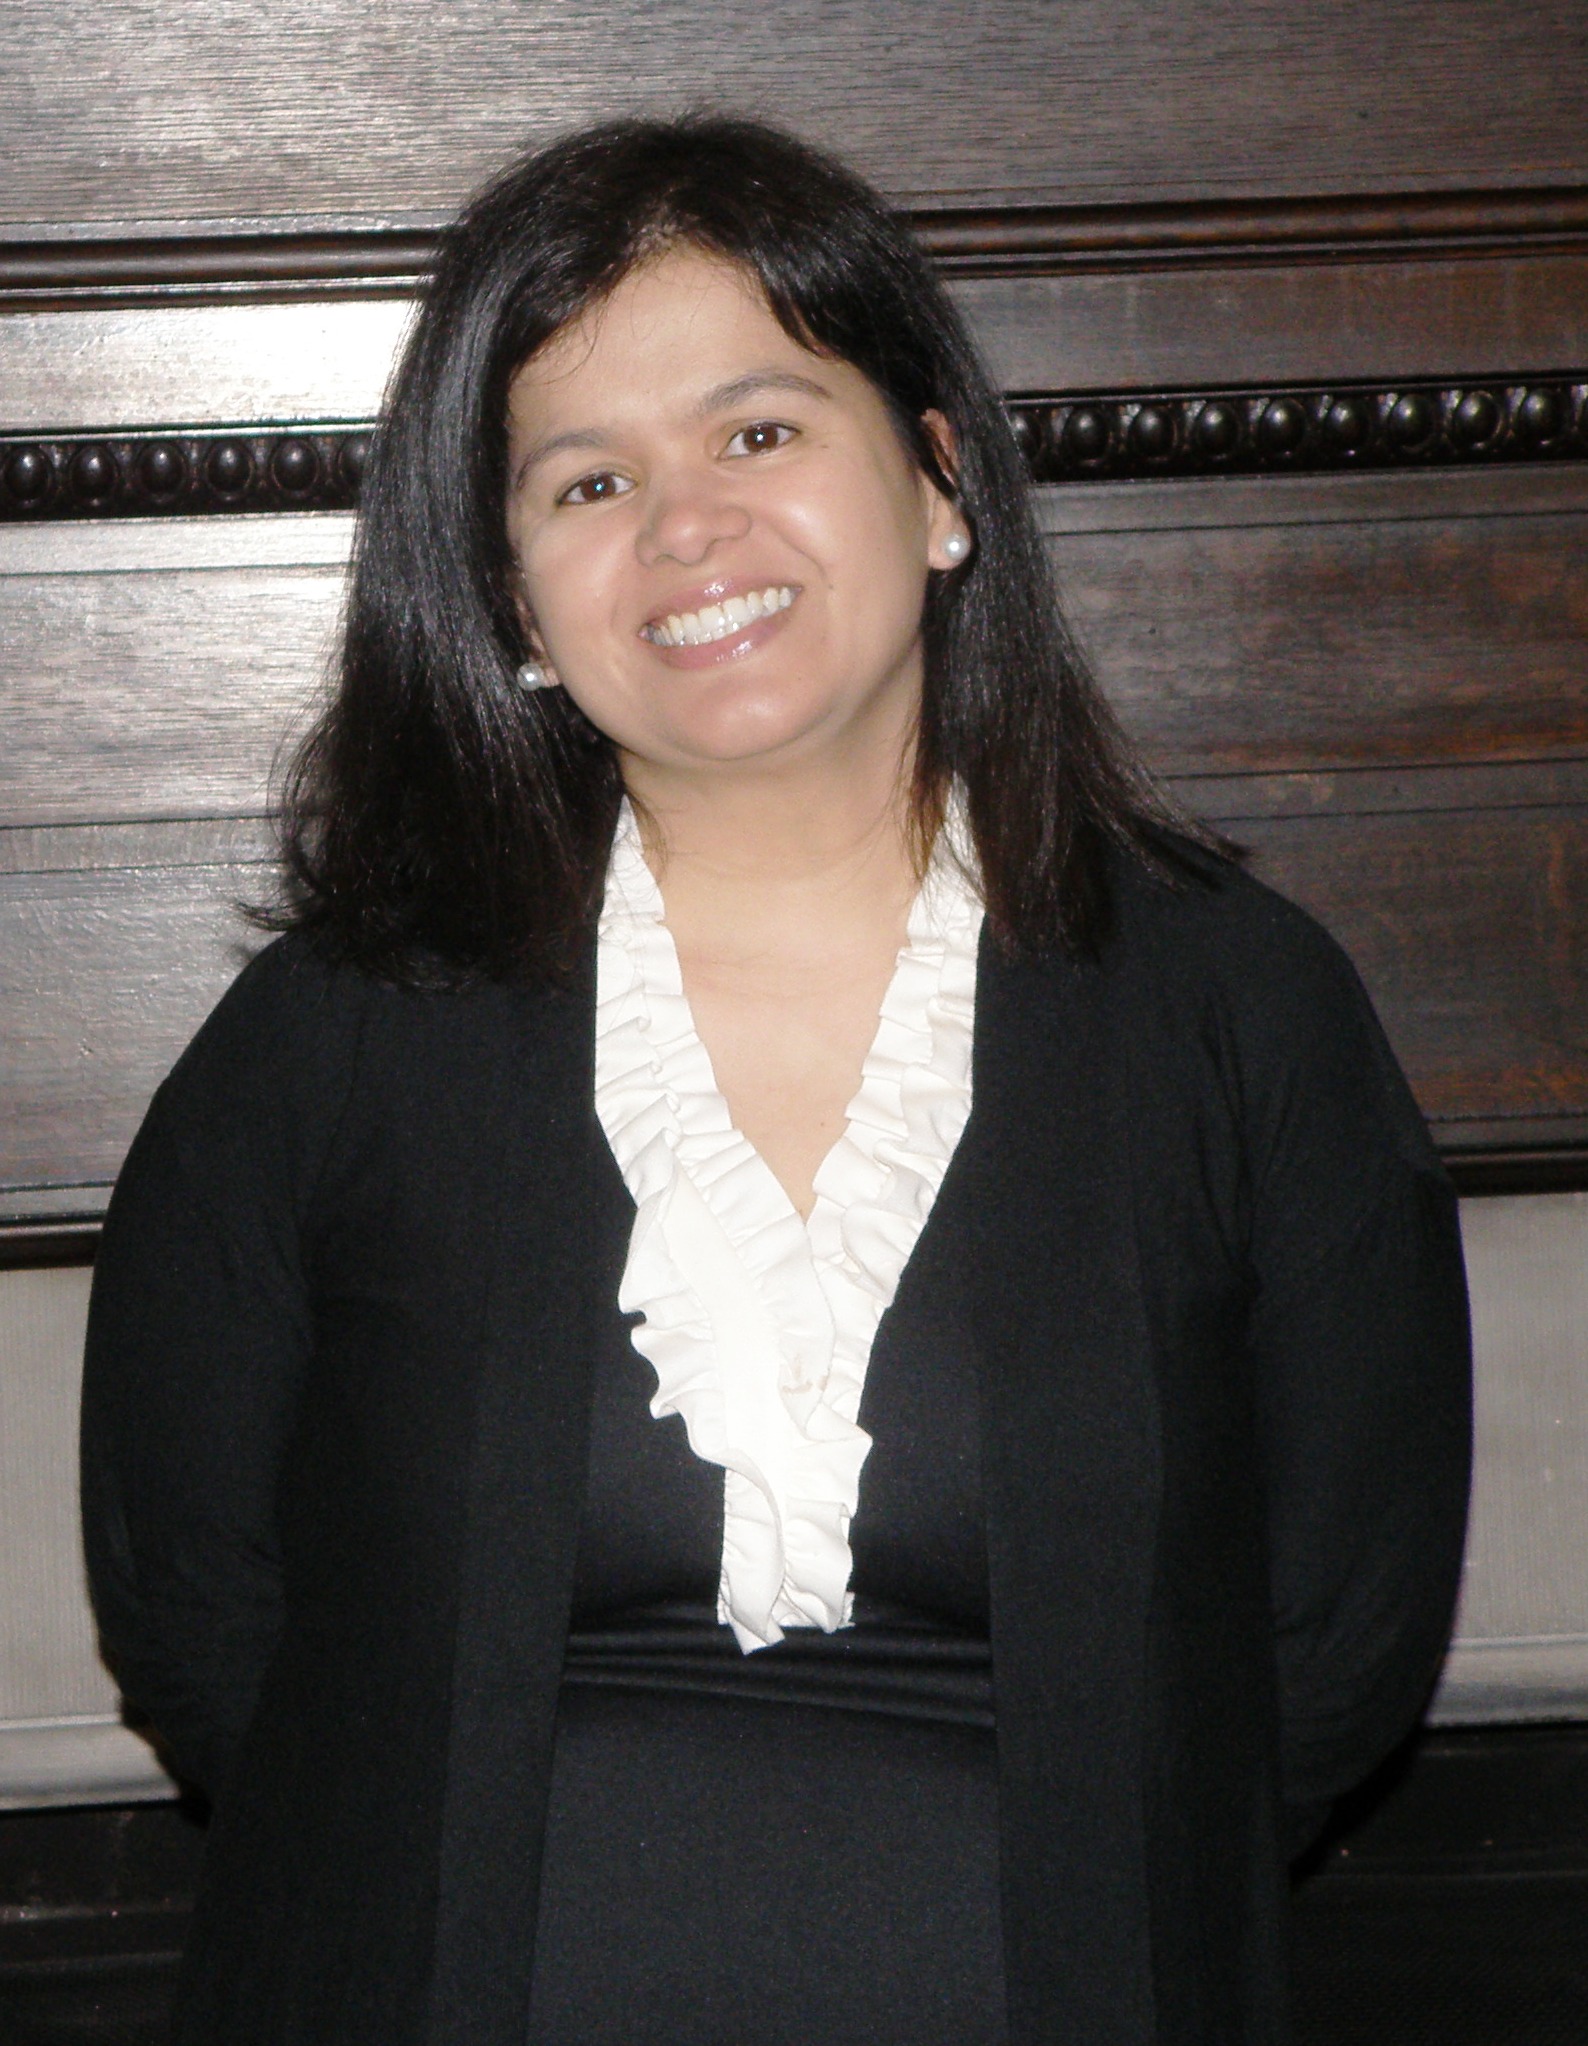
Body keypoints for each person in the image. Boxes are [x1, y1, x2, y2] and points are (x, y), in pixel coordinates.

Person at [79, 114, 1471, 2046]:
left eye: (757, 429)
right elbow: (193, 1600)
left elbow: (1334, 1641)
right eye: (588, 479)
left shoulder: (1242, 1011)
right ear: (516, 606)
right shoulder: (334, 1034)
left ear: (940, 483)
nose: (685, 528)